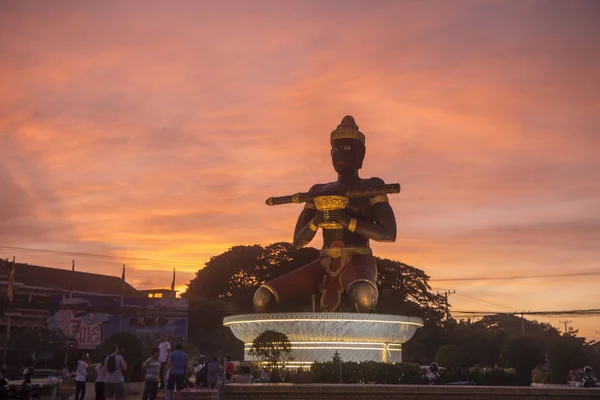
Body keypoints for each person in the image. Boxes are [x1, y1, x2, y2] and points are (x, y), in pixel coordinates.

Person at [253, 116, 398, 313]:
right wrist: (315, 222)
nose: (338, 155)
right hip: (323, 261)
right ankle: (270, 340)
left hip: (358, 259)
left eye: (346, 150)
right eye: (334, 150)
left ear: (361, 155)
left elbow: (389, 234)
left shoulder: (371, 186)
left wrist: (347, 221)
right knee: (263, 297)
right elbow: (298, 241)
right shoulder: (319, 190)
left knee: (363, 295)